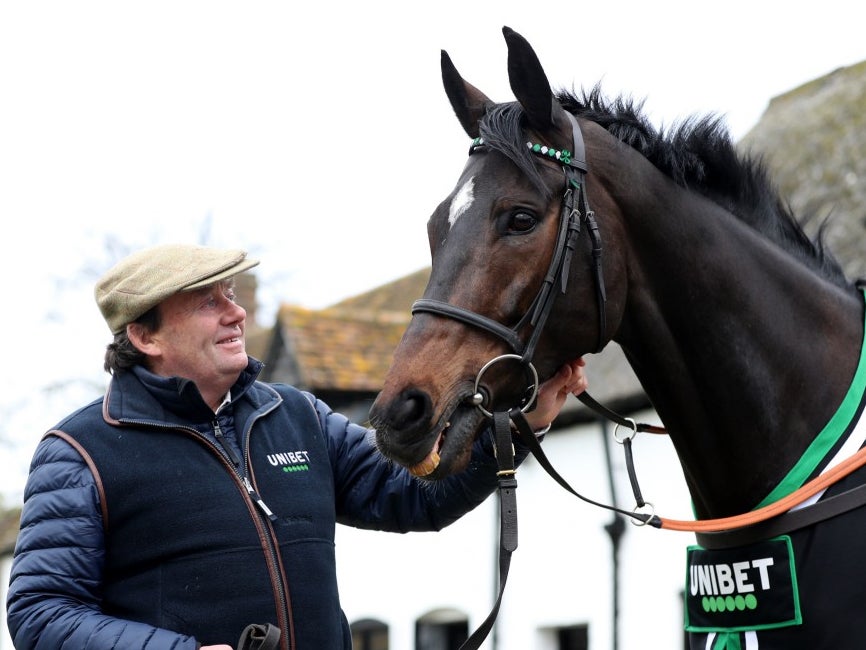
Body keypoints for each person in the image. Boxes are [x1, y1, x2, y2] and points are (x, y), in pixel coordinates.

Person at [6, 243, 588, 650]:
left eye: (230, 294)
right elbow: (40, 613)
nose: (235, 313)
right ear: (144, 335)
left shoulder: (297, 414)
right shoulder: (79, 450)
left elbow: (414, 495)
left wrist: (521, 423)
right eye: (208, 301)